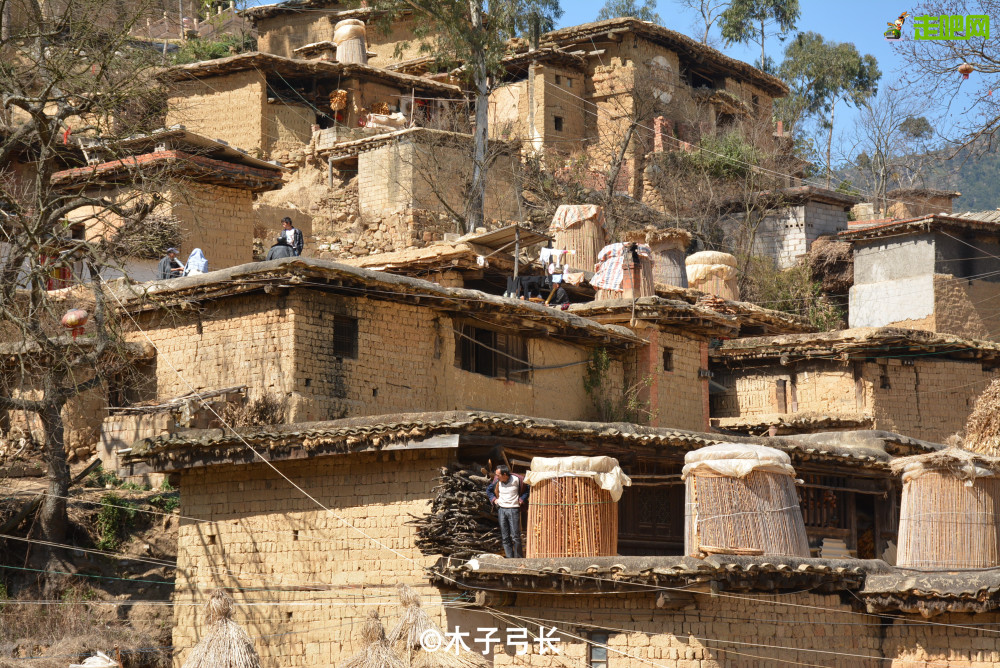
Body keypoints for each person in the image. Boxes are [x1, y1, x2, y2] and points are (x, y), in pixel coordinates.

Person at [486, 465, 529, 558]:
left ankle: (518, 559)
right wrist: (494, 500)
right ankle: (509, 559)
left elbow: (527, 490)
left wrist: (522, 499)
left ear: (505, 474)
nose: (496, 476)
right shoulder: (497, 481)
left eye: (498, 475)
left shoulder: (518, 479)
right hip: (501, 509)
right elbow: (488, 490)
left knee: (515, 536)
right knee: (505, 537)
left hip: (513, 509)